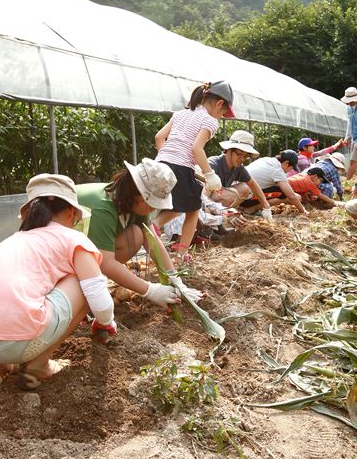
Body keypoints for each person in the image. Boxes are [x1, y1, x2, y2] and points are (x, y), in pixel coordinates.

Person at [0, 174, 116, 389]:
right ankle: (38, 365)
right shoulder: (73, 239)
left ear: (28, 213)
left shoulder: (12, 241)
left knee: (11, 294)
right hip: (17, 341)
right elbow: (99, 300)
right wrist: (106, 322)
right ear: (71, 212)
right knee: (82, 282)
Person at [76, 158, 203, 307]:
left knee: (137, 234)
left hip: (78, 256)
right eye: (151, 204)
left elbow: (152, 240)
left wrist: (176, 281)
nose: (153, 210)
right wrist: (150, 290)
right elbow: (106, 263)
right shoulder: (103, 208)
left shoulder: (131, 203)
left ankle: (86, 284)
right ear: (139, 194)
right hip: (54, 259)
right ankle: (79, 289)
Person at [152, 81, 236, 260]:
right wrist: (209, 174)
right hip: (180, 168)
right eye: (223, 114)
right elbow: (196, 149)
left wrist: (168, 156)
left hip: (160, 164)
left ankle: (163, 236)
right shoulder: (209, 121)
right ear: (219, 103)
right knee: (194, 208)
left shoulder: (180, 114)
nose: (221, 117)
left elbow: (159, 137)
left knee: (179, 207)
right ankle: (179, 250)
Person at [206, 130, 273, 221]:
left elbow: (252, 183)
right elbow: (201, 197)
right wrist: (223, 211)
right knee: (232, 194)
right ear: (229, 150)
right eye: (239, 154)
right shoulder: (213, 164)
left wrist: (266, 206)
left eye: (245, 156)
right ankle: (221, 218)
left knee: (245, 187)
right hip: (205, 202)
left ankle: (225, 217)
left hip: (218, 201)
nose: (242, 159)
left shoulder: (238, 167)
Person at [239, 150, 308, 215]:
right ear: (286, 163)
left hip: (238, 193)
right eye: (291, 168)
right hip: (245, 199)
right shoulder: (278, 170)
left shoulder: (267, 160)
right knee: (293, 196)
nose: (289, 171)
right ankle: (252, 209)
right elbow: (291, 196)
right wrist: (303, 211)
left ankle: (252, 207)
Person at [266, 167, 342, 209]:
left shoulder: (303, 176)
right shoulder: (309, 183)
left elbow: (304, 194)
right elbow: (321, 195)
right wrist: (336, 203)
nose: (320, 183)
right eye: (321, 180)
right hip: (278, 191)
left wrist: (308, 202)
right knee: (296, 198)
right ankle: (265, 205)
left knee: (298, 198)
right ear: (315, 176)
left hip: (277, 187)